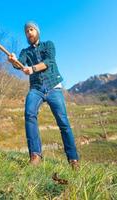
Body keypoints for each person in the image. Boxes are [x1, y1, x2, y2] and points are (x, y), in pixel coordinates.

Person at [8, 21, 79, 169]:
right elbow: (19, 64)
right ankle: (35, 155)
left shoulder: (48, 45)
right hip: (36, 89)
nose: (29, 33)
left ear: (37, 31)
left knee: (63, 122)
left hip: (53, 87)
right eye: (27, 31)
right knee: (29, 114)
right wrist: (13, 61)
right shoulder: (25, 52)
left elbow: (49, 61)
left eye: (31, 29)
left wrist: (32, 68)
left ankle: (73, 159)